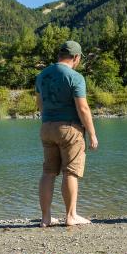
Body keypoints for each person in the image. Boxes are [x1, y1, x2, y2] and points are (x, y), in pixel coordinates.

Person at [35, 40, 98, 228]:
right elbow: (83, 108)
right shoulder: (75, 77)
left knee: (48, 172)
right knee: (70, 172)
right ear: (76, 57)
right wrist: (92, 134)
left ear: (59, 55)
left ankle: (45, 218)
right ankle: (71, 216)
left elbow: (40, 104)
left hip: (47, 127)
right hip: (69, 129)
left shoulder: (41, 75)